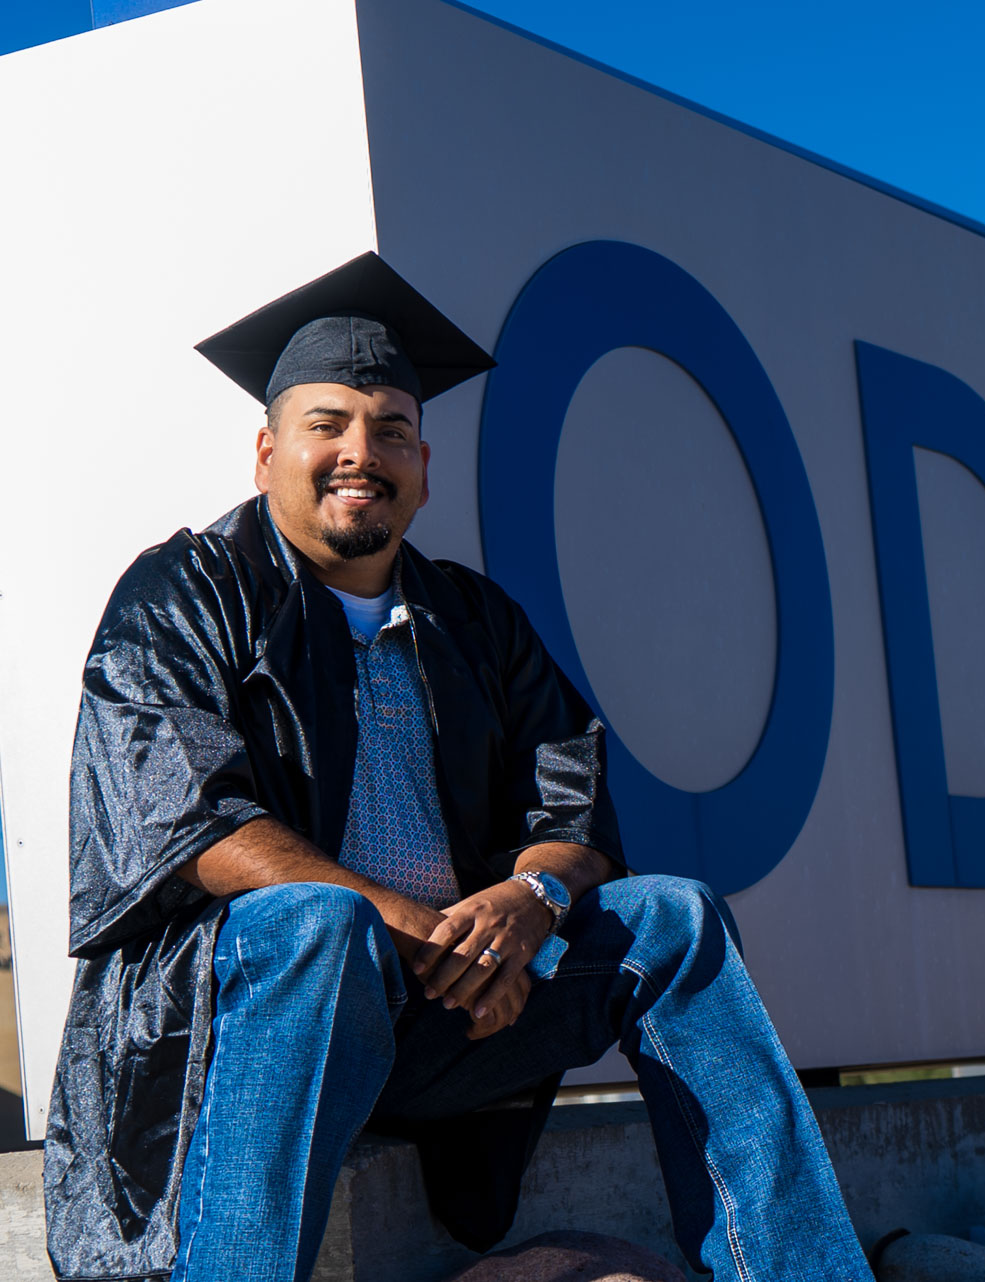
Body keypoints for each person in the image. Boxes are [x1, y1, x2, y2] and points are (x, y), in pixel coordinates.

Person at [42, 252, 871, 1282]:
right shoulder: (187, 591)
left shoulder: (474, 618)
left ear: (424, 466)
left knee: (677, 918)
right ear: (265, 454)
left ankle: (798, 1272)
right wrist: (417, 928)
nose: (361, 451)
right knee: (318, 922)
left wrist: (528, 903)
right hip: (235, 1022)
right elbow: (192, 823)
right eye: (328, 425)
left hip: (450, 1012)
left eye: (392, 429)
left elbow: (572, 798)